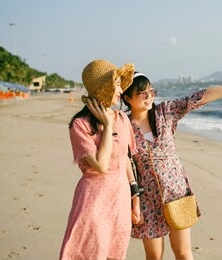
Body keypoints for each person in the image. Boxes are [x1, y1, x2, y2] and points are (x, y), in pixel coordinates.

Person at [121, 72, 222, 260]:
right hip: (147, 200)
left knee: (183, 253)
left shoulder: (165, 112)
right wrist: (132, 200)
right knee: (154, 256)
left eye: (151, 91)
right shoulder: (123, 125)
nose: (148, 96)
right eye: (141, 93)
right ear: (127, 98)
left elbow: (201, 96)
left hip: (176, 194)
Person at [59, 59, 142, 260]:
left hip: (120, 200)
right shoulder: (80, 125)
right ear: (102, 87)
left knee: (115, 253)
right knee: (90, 253)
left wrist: (135, 198)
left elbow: (126, 161)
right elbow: (101, 165)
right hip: (94, 201)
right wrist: (107, 126)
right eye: (116, 85)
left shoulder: (123, 119)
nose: (121, 90)